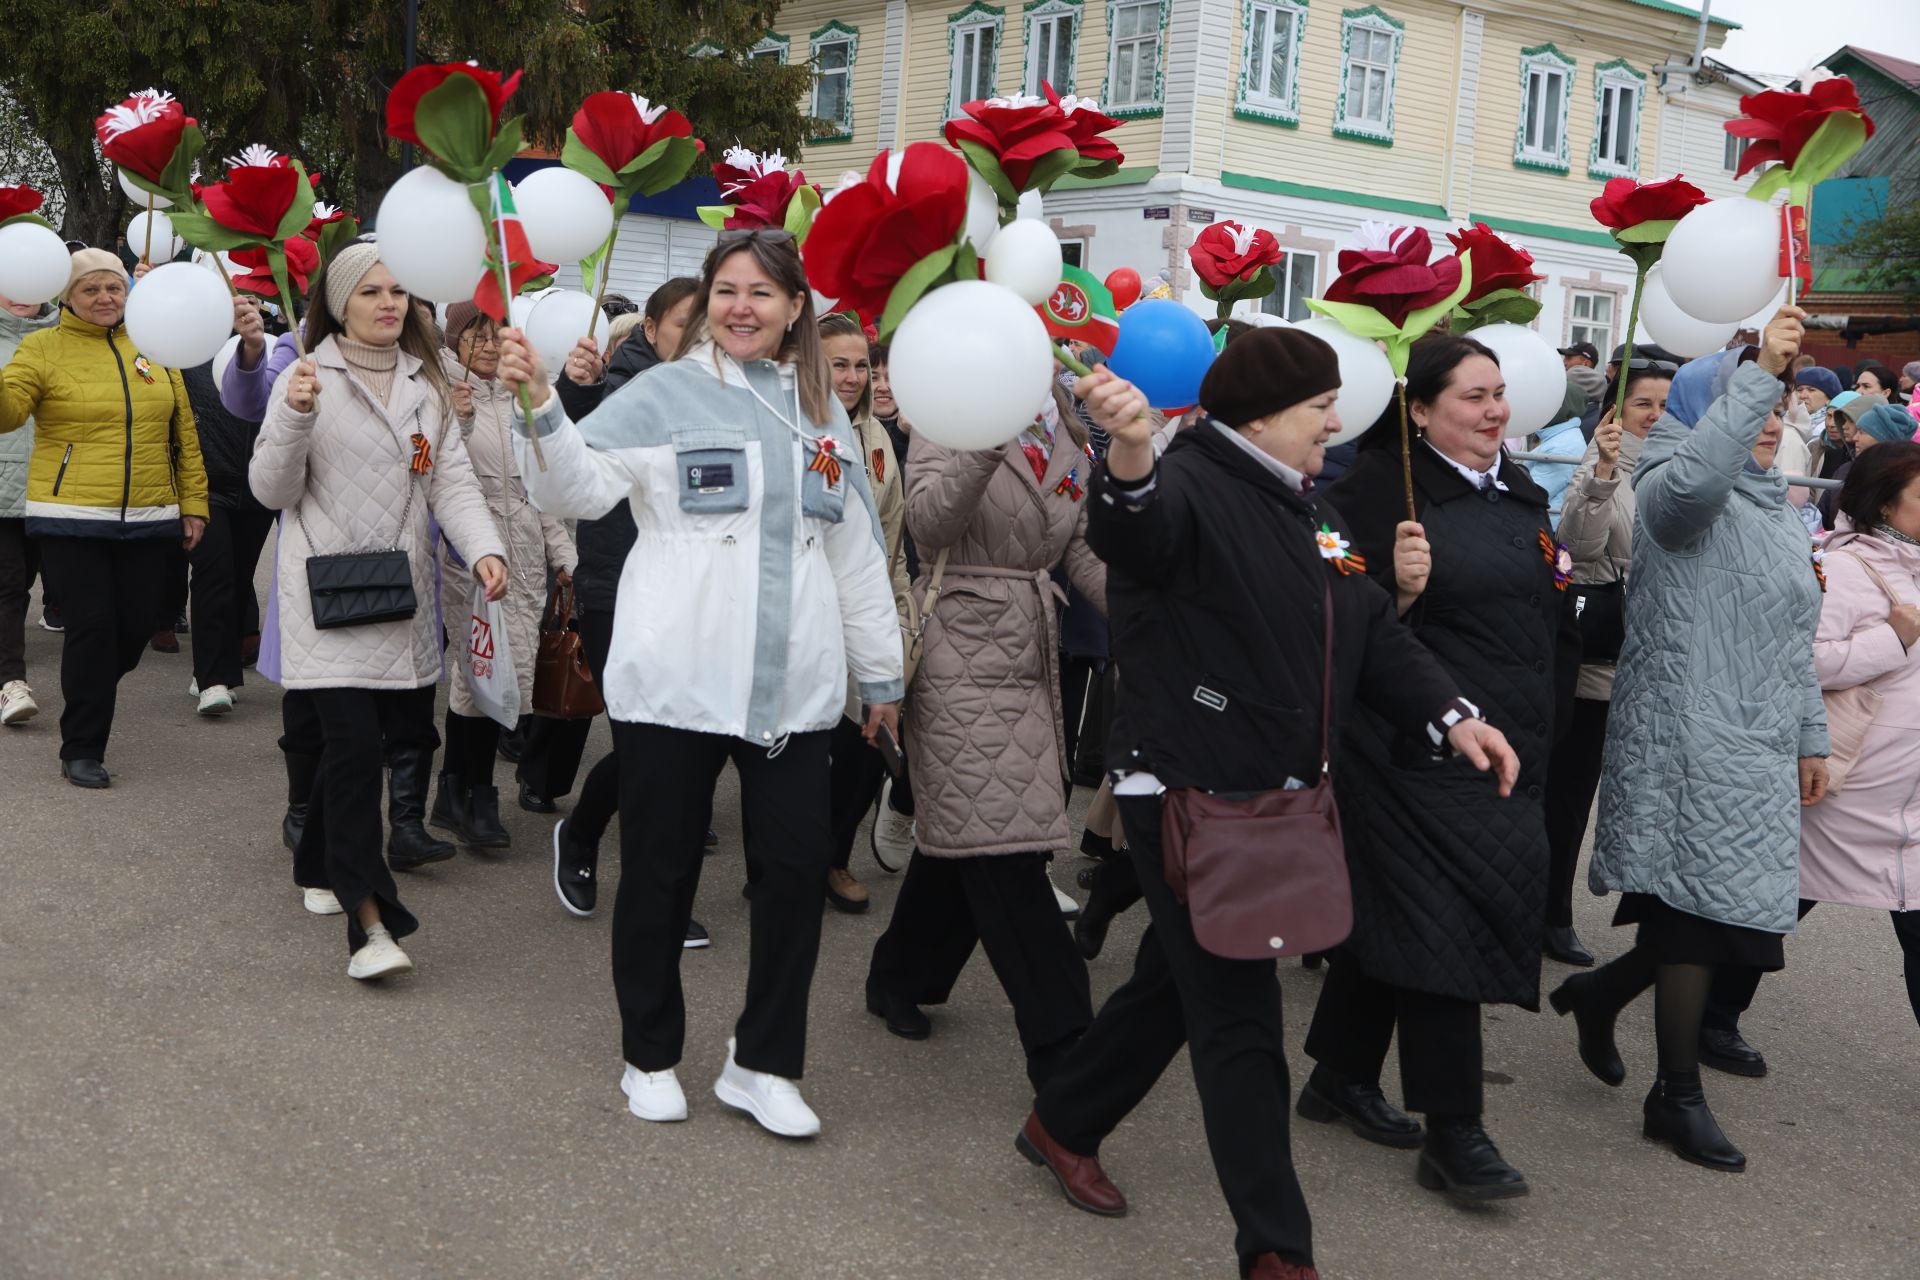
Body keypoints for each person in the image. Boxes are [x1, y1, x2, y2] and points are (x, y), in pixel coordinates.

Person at [1018, 329, 1517, 1280]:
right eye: (1320, 405)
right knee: (1242, 1023)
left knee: (1182, 979)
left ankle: (1062, 1120)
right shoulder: (1189, 481)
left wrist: (1453, 715)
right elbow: (1130, 531)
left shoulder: (1309, 507)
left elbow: (1369, 624)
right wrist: (1126, 448)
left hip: (1273, 795)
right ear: (1260, 417)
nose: (1339, 418)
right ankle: (1278, 1252)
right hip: (1192, 792)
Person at [497, 230, 903, 1138]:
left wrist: (880, 674)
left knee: (794, 876)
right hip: (677, 680)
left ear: (796, 307)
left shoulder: (823, 415)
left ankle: (763, 1064)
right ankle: (649, 1053)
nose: (742, 307)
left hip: (794, 689)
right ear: (708, 302)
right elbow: (574, 490)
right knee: (662, 875)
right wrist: (540, 407)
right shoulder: (665, 393)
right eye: (726, 290)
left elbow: (855, 556)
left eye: (763, 291)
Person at [1549, 307, 1828, 1173]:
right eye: (1755, 407)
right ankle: (1676, 1097)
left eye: (1780, 411)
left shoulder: (1780, 510)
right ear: (1714, 410)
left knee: (1726, 923)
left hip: (1758, 742)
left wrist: (1811, 736)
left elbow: (1793, 636)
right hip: (1686, 736)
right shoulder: (1673, 485)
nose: (1771, 421)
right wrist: (1759, 371)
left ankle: (1599, 994)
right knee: (1697, 918)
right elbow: (1698, 482)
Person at [1302, 333, 1573, 1205]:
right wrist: (1397, 587)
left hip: (1508, 747)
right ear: (1418, 410)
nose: (1495, 409)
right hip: (1410, 747)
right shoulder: (1369, 494)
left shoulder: (1523, 493)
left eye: (1499, 393)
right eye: (1472, 396)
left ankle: (1338, 1074)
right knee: (1446, 922)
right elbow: (1333, 619)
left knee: (1406, 916)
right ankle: (1457, 1131)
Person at [250, 242, 509, 981]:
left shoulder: (426, 384)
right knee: (357, 753)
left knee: (380, 741)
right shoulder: (306, 376)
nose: (388, 303)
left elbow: (449, 479)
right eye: (370, 292)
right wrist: (295, 417)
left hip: (401, 594)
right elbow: (272, 490)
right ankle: (373, 926)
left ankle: (315, 859)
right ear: (337, 303)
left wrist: (483, 547)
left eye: (397, 290)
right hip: (324, 598)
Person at [861, 357, 1105, 1091]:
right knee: (1005, 849)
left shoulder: (1065, 421)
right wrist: (986, 439)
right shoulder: (952, 411)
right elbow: (930, 523)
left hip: (1030, 652)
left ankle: (898, 975)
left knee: (972, 831)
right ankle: (1071, 1060)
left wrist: (1155, 619)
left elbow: (1079, 549)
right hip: (958, 647)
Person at [539, 277, 714, 952]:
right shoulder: (626, 386)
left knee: (691, 745)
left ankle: (599, 838)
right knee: (648, 744)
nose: (697, 335)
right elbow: (571, 450)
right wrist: (575, 387)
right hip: (619, 590)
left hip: (701, 597)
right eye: (682, 324)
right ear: (650, 332)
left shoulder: (729, 389)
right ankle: (593, 844)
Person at [0, 250, 209, 786]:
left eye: (113, 288)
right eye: (90, 289)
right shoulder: (41, 346)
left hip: (150, 514)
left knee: (136, 627)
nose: (105, 298)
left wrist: (193, 503)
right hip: (69, 517)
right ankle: (83, 747)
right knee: (91, 629)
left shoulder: (153, 344)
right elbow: (10, 412)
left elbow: (183, 432)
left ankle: (88, 688)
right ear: (68, 297)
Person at [428, 302, 577, 852]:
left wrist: (563, 555)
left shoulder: (520, 400)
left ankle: (453, 795)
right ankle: (476, 796)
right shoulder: (441, 393)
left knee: (501, 678)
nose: (489, 346)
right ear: (455, 342)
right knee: (477, 677)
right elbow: (438, 475)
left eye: (496, 336)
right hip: (472, 562)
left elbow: (541, 490)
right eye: (476, 336)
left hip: (527, 564)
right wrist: (459, 418)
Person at [1540, 364, 1673, 968]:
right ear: (1618, 410)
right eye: (1642, 401)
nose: (1654, 412)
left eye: (1665, 403)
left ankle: (1665, 932)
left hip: (1661, 663)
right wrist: (1600, 478)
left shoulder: (1687, 473)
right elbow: (1576, 547)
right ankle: (1549, 913)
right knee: (1569, 796)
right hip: (1601, 662)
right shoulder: (1600, 464)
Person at [817, 312, 909, 913]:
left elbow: (894, 540)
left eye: (860, 365)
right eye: (839, 365)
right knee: (789, 754)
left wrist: (898, 620)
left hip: (864, 617)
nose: (853, 378)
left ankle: (833, 857)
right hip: (803, 619)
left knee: (863, 747)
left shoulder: (878, 439)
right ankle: (775, 863)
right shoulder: (789, 427)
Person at [179, 342, 275, 716]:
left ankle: (219, 667)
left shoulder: (271, 351)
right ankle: (212, 680)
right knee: (213, 575)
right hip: (207, 487)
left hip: (259, 487)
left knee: (238, 578)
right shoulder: (186, 356)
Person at [0, 287, 59, 726]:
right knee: (10, 587)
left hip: (52, 489)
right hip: (2, 492)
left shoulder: (67, 335)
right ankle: (11, 683)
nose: (21, 295)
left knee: (28, 586)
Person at [1796, 366, 1842, 438]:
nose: (1802, 396)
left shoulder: (1833, 428)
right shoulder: (1786, 420)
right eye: (1799, 390)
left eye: (1811, 390)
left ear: (1829, 399)